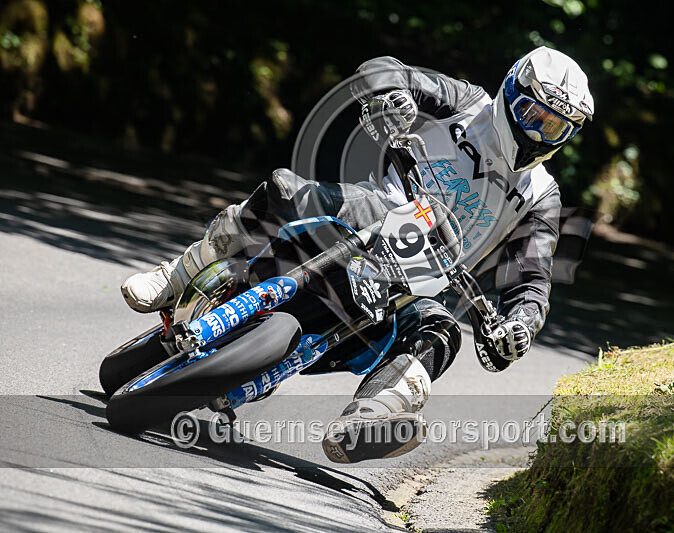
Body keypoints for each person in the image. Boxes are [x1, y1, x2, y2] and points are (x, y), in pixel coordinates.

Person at [120, 46, 594, 463]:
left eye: (557, 128)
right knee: (287, 190)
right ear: (511, 92)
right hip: (374, 210)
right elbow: (385, 68)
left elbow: (533, 278)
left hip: (429, 278)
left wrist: (520, 325)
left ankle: (370, 419)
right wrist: (393, 96)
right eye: (535, 115)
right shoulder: (467, 103)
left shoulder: (541, 195)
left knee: (443, 331)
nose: (541, 133)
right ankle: (179, 274)